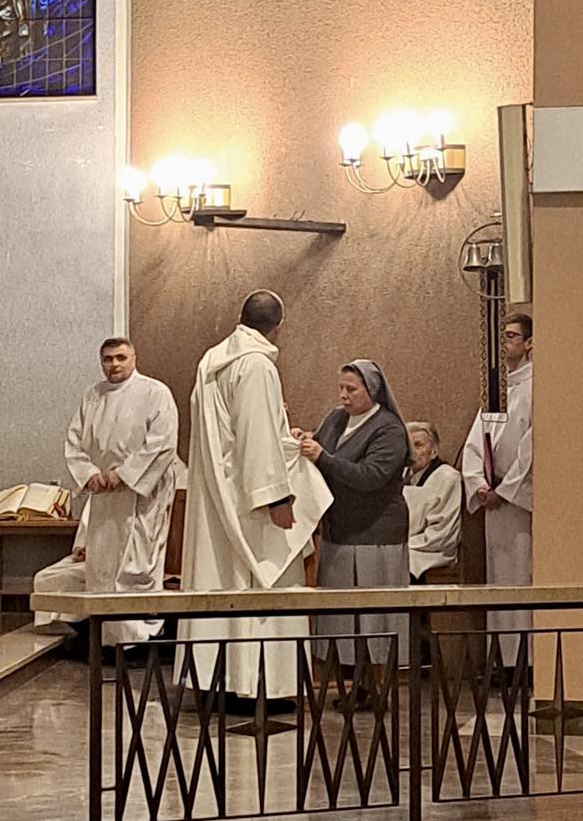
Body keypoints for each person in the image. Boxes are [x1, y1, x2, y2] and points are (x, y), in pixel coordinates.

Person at [175, 291, 332, 701]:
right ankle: (257, 684)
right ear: (278, 327)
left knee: (221, 576)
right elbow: (256, 435)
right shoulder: (257, 365)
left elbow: (234, 434)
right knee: (262, 579)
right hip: (249, 501)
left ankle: (219, 679)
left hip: (219, 491)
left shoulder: (212, 361)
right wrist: (275, 497)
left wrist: (283, 435)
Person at [300, 360, 412, 694]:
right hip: (340, 530)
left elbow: (371, 476)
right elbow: (319, 446)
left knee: (374, 619)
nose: (343, 395)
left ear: (372, 390)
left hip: (376, 534)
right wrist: (303, 440)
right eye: (341, 388)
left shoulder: (389, 429)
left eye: (351, 389)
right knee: (342, 618)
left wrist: (322, 457)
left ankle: (380, 687)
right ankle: (354, 685)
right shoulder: (336, 418)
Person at [64, 338, 179, 645]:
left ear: (133, 358)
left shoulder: (155, 392)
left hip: (142, 494)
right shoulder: (93, 395)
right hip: (104, 494)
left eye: (120, 357)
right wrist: (89, 473)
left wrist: (125, 474)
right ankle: (106, 638)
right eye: (107, 359)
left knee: (137, 564)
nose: (114, 364)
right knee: (102, 566)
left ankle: (140, 639)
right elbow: (74, 441)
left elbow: (162, 442)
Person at [462, 313, 533, 661]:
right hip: (493, 500)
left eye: (512, 336)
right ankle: (503, 660)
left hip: (519, 503)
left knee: (522, 574)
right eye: (502, 336)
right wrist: (479, 484)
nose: (505, 343)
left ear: (530, 343)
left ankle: (527, 661)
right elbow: (475, 443)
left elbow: (533, 446)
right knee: (499, 578)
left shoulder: (537, 387)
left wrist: (504, 491)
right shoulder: (496, 389)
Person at [404, 422, 462, 581]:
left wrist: (403, 545)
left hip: (431, 551)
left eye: (418, 445)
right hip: (407, 546)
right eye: (408, 446)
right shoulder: (403, 475)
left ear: (433, 451)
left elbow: (441, 533)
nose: (411, 452)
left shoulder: (447, 477)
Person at [32, 500, 91, 629]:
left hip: (112, 559)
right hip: (86, 558)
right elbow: (84, 533)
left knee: (68, 578)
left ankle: (82, 626)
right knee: (43, 577)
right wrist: (80, 549)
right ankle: (56, 624)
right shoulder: (94, 498)